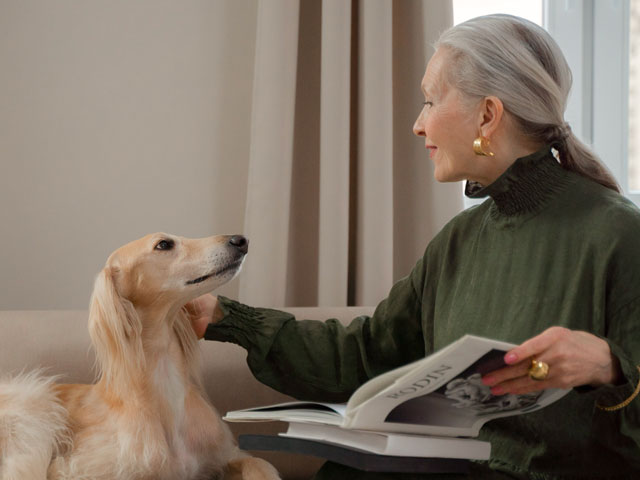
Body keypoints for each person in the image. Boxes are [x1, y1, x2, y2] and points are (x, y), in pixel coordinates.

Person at [189, 14, 640, 479]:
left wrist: (610, 368)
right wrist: (228, 319)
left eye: (429, 101)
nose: (418, 125)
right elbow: (367, 353)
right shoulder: (460, 240)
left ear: (487, 114)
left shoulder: (618, 234)